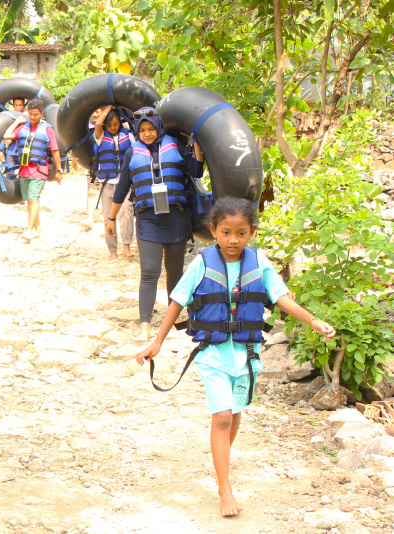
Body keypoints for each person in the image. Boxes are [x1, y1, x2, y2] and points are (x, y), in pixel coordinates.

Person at [135, 197, 336, 517]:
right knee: (223, 416)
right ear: (213, 230)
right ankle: (224, 487)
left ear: (251, 232)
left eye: (241, 233)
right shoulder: (201, 263)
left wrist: (312, 320)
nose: (233, 240)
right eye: (226, 232)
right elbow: (176, 301)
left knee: (236, 413)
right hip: (212, 355)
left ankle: (221, 464)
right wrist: (157, 342)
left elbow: (281, 298)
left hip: (247, 356)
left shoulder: (260, 263)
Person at [105, 106, 204, 340]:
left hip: (176, 217)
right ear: (137, 131)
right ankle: (145, 323)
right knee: (149, 272)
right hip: (148, 219)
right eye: (143, 130)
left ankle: (176, 317)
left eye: (151, 129)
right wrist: (111, 219)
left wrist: (196, 146)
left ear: (159, 127)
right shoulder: (132, 152)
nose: (147, 133)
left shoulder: (177, 145)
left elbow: (196, 170)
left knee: (174, 272)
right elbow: (121, 190)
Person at [3, 98, 63, 242]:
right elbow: (6, 136)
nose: (32, 117)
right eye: (30, 114)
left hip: (39, 170)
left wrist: (59, 170)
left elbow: (55, 150)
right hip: (24, 170)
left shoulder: (47, 129)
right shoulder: (23, 127)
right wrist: (17, 122)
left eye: (36, 114)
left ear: (42, 114)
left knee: (33, 200)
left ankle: (29, 230)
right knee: (28, 201)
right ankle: (38, 229)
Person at [89, 104, 135, 260]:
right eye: (109, 125)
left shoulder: (128, 135)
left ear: (120, 122)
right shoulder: (101, 135)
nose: (113, 128)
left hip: (125, 182)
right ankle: (112, 250)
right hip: (107, 182)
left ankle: (126, 246)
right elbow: (97, 123)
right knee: (108, 216)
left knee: (126, 212)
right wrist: (107, 109)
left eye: (115, 124)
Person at [0, 97, 27, 167]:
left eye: (20, 105)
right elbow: (2, 133)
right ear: (13, 106)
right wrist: (0, 149)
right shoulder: (8, 118)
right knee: (10, 173)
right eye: (16, 105)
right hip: (12, 151)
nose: (18, 107)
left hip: (25, 151)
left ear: (24, 105)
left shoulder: (28, 118)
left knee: (25, 172)